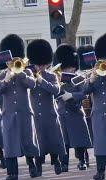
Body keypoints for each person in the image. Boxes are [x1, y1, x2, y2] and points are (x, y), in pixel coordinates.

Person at [0, 34, 40, 180]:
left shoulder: (26, 71)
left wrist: (20, 73)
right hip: (9, 114)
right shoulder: (2, 75)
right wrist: (6, 80)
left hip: (25, 113)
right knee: (9, 144)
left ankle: (32, 166)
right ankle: (12, 173)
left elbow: (32, 84)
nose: (11, 62)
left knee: (28, 141)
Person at [26, 39, 66, 176]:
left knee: (53, 141)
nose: (40, 67)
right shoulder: (28, 76)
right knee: (38, 143)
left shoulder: (52, 75)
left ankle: (56, 161)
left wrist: (42, 81)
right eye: (38, 64)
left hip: (49, 113)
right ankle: (37, 168)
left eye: (42, 65)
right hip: (35, 115)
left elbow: (56, 90)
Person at [55, 44, 92, 172]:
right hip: (62, 113)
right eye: (66, 67)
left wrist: (71, 95)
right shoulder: (57, 78)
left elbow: (84, 93)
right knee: (63, 142)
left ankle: (82, 161)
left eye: (70, 67)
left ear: (74, 66)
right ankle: (64, 163)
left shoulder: (80, 78)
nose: (68, 70)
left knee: (79, 141)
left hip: (76, 112)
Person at [82, 34, 106, 180]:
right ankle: (101, 171)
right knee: (100, 144)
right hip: (98, 113)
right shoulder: (94, 72)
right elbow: (85, 91)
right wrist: (92, 78)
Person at [77, 44, 95, 167]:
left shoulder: (98, 70)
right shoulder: (78, 74)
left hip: (95, 106)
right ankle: (83, 158)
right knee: (84, 134)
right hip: (83, 108)